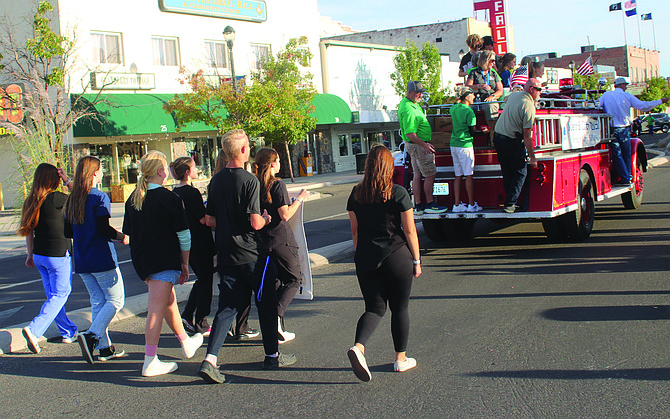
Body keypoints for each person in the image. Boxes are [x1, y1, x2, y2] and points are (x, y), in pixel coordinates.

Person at [197, 129, 295, 385]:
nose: (249, 149)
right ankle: (272, 355)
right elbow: (254, 222)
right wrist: (264, 218)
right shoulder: (250, 181)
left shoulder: (216, 181)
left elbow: (209, 219)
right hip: (253, 254)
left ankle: (210, 360)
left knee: (227, 307)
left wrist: (229, 222)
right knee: (266, 299)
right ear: (242, 150)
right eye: (248, 146)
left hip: (227, 253)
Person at [122, 150, 204, 377]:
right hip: (164, 260)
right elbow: (184, 235)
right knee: (156, 310)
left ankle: (185, 341)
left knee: (168, 302)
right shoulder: (170, 198)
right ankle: (150, 360)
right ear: (160, 171)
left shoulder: (133, 199)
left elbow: (127, 233)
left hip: (143, 261)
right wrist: (185, 263)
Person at [345, 145, 422, 382]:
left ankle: (359, 347)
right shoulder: (398, 192)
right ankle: (401, 359)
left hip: (366, 258)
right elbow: (409, 230)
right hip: (396, 255)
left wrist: (362, 257)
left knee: (374, 308)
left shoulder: (356, 194)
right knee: (400, 308)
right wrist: (417, 260)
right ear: (389, 166)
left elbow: (355, 232)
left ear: (368, 166)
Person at [67, 156, 127, 364]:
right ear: (94, 173)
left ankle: (104, 348)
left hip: (82, 259)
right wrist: (122, 237)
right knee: (116, 300)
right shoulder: (99, 197)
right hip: (101, 257)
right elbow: (104, 229)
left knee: (98, 302)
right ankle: (91, 335)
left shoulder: (72, 199)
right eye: (101, 170)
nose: (102, 173)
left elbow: (67, 231)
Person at [18, 163, 78, 354]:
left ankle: (68, 331)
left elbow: (28, 231)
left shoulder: (31, 200)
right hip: (58, 254)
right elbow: (80, 198)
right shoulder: (56, 198)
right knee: (61, 294)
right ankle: (34, 330)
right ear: (54, 179)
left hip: (39, 255)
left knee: (54, 296)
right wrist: (67, 180)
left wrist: (29, 254)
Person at [252, 148, 309, 343]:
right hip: (281, 238)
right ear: (273, 163)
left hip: (262, 240)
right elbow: (285, 214)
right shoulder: (277, 185)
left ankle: (277, 326)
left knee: (275, 282)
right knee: (294, 279)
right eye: (278, 160)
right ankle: (276, 317)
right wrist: (300, 199)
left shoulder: (254, 185)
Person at [170, 157, 215, 337]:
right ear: (188, 172)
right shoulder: (192, 193)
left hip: (186, 243)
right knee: (206, 282)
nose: (197, 169)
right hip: (200, 242)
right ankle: (201, 321)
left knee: (202, 279)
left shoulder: (174, 192)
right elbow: (203, 219)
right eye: (194, 167)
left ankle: (188, 314)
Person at [599, 77, 669, 185]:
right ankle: (627, 177)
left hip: (611, 129)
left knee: (617, 155)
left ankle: (625, 177)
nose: (626, 87)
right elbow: (644, 106)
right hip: (624, 128)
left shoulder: (606, 95)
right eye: (625, 85)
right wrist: (660, 101)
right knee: (626, 154)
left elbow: (597, 106)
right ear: (622, 85)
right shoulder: (627, 96)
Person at [398, 80, 447, 215]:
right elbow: (410, 133)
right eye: (418, 93)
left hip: (414, 146)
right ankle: (430, 204)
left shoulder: (409, 104)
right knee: (430, 174)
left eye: (421, 92)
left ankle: (419, 205)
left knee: (418, 174)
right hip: (418, 146)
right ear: (410, 92)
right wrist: (424, 145)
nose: (421, 95)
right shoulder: (409, 110)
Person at [493, 78, 542, 213]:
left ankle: (509, 202)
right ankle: (510, 203)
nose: (540, 93)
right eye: (539, 90)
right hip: (511, 139)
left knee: (507, 171)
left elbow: (505, 100)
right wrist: (532, 157)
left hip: (498, 137)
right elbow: (527, 135)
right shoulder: (529, 105)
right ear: (531, 89)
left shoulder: (514, 95)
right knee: (521, 171)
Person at [450, 88, 482, 213]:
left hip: (454, 144)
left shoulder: (454, 108)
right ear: (466, 96)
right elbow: (472, 132)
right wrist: (484, 132)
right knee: (468, 175)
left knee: (458, 175)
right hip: (465, 145)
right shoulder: (469, 111)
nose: (474, 96)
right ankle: (471, 204)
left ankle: (457, 204)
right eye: (472, 94)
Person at [466, 50, 503, 142]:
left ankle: (493, 136)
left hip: (490, 99)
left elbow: (500, 90)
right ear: (485, 60)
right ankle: (470, 133)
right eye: (492, 61)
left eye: (494, 61)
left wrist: (493, 96)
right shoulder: (474, 72)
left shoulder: (493, 73)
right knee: (466, 108)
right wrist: (478, 86)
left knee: (490, 106)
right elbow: (467, 86)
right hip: (476, 99)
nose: (493, 63)